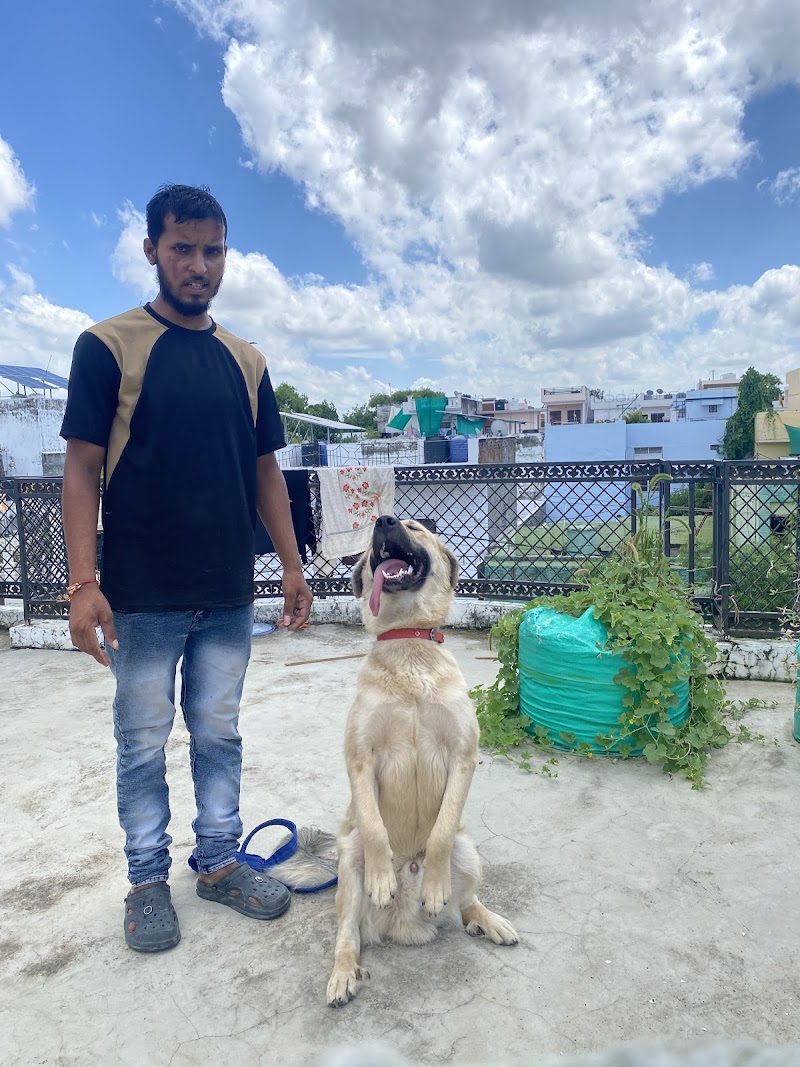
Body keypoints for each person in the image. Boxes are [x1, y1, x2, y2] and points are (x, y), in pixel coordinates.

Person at [60, 183, 313, 953]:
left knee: (218, 733)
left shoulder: (247, 361)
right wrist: (82, 583)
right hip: (140, 596)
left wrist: (292, 567)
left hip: (228, 592)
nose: (199, 265)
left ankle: (220, 862)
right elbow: (81, 468)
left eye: (212, 250)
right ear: (151, 251)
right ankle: (146, 881)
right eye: (182, 248)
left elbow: (266, 472)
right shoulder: (108, 346)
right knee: (142, 741)